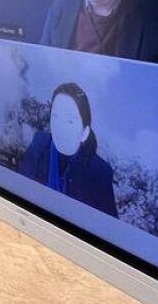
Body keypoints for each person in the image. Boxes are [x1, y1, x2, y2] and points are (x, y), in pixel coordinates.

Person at [18, 83, 117, 217]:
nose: (60, 128)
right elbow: (20, 188)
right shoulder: (39, 144)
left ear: (84, 133)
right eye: (55, 116)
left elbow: (106, 223)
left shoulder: (100, 172)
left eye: (70, 121)